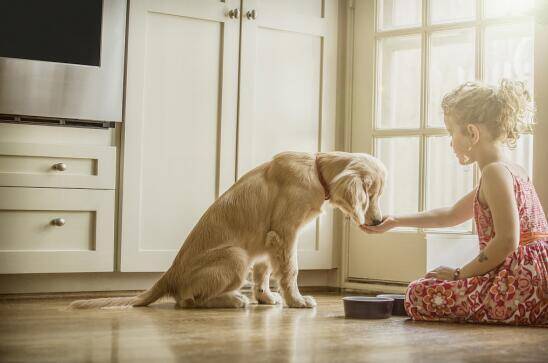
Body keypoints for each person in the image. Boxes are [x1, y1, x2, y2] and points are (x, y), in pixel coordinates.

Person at [362, 80, 547, 325]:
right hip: (534, 281)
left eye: (451, 132)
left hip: (519, 286)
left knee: (418, 294)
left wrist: (459, 275)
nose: (450, 142)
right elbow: (449, 215)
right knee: (426, 286)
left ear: (472, 133)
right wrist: (395, 220)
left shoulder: (494, 173)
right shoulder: (512, 170)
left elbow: (506, 241)